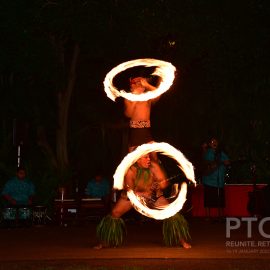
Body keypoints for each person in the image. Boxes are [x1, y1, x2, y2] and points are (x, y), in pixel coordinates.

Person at [95, 153, 191, 249]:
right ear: (138, 159)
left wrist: (158, 185)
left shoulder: (154, 166)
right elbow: (130, 191)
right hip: (133, 197)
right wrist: (143, 194)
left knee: (171, 213)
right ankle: (104, 241)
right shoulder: (130, 171)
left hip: (153, 196)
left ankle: (181, 241)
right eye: (145, 157)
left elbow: (164, 183)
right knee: (114, 213)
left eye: (149, 157)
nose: (149, 159)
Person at [124, 76, 160, 156]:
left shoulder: (147, 97)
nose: (139, 85)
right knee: (134, 160)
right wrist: (135, 98)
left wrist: (147, 85)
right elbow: (128, 114)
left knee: (153, 158)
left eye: (140, 83)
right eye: (136, 83)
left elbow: (158, 94)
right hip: (135, 132)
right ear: (132, 86)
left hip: (146, 131)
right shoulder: (128, 98)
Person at [202, 137, 230, 220]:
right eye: (212, 142)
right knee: (208, 198)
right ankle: (207, 216)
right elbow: (207, 163)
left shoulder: (221, 152)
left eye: (215, 141)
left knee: (220, 199)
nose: (214, 143)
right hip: (209, 180)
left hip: (219, 180)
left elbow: (228, 162)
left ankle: (221, 215)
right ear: (210, 144)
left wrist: (225, 162)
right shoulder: (207, 152)